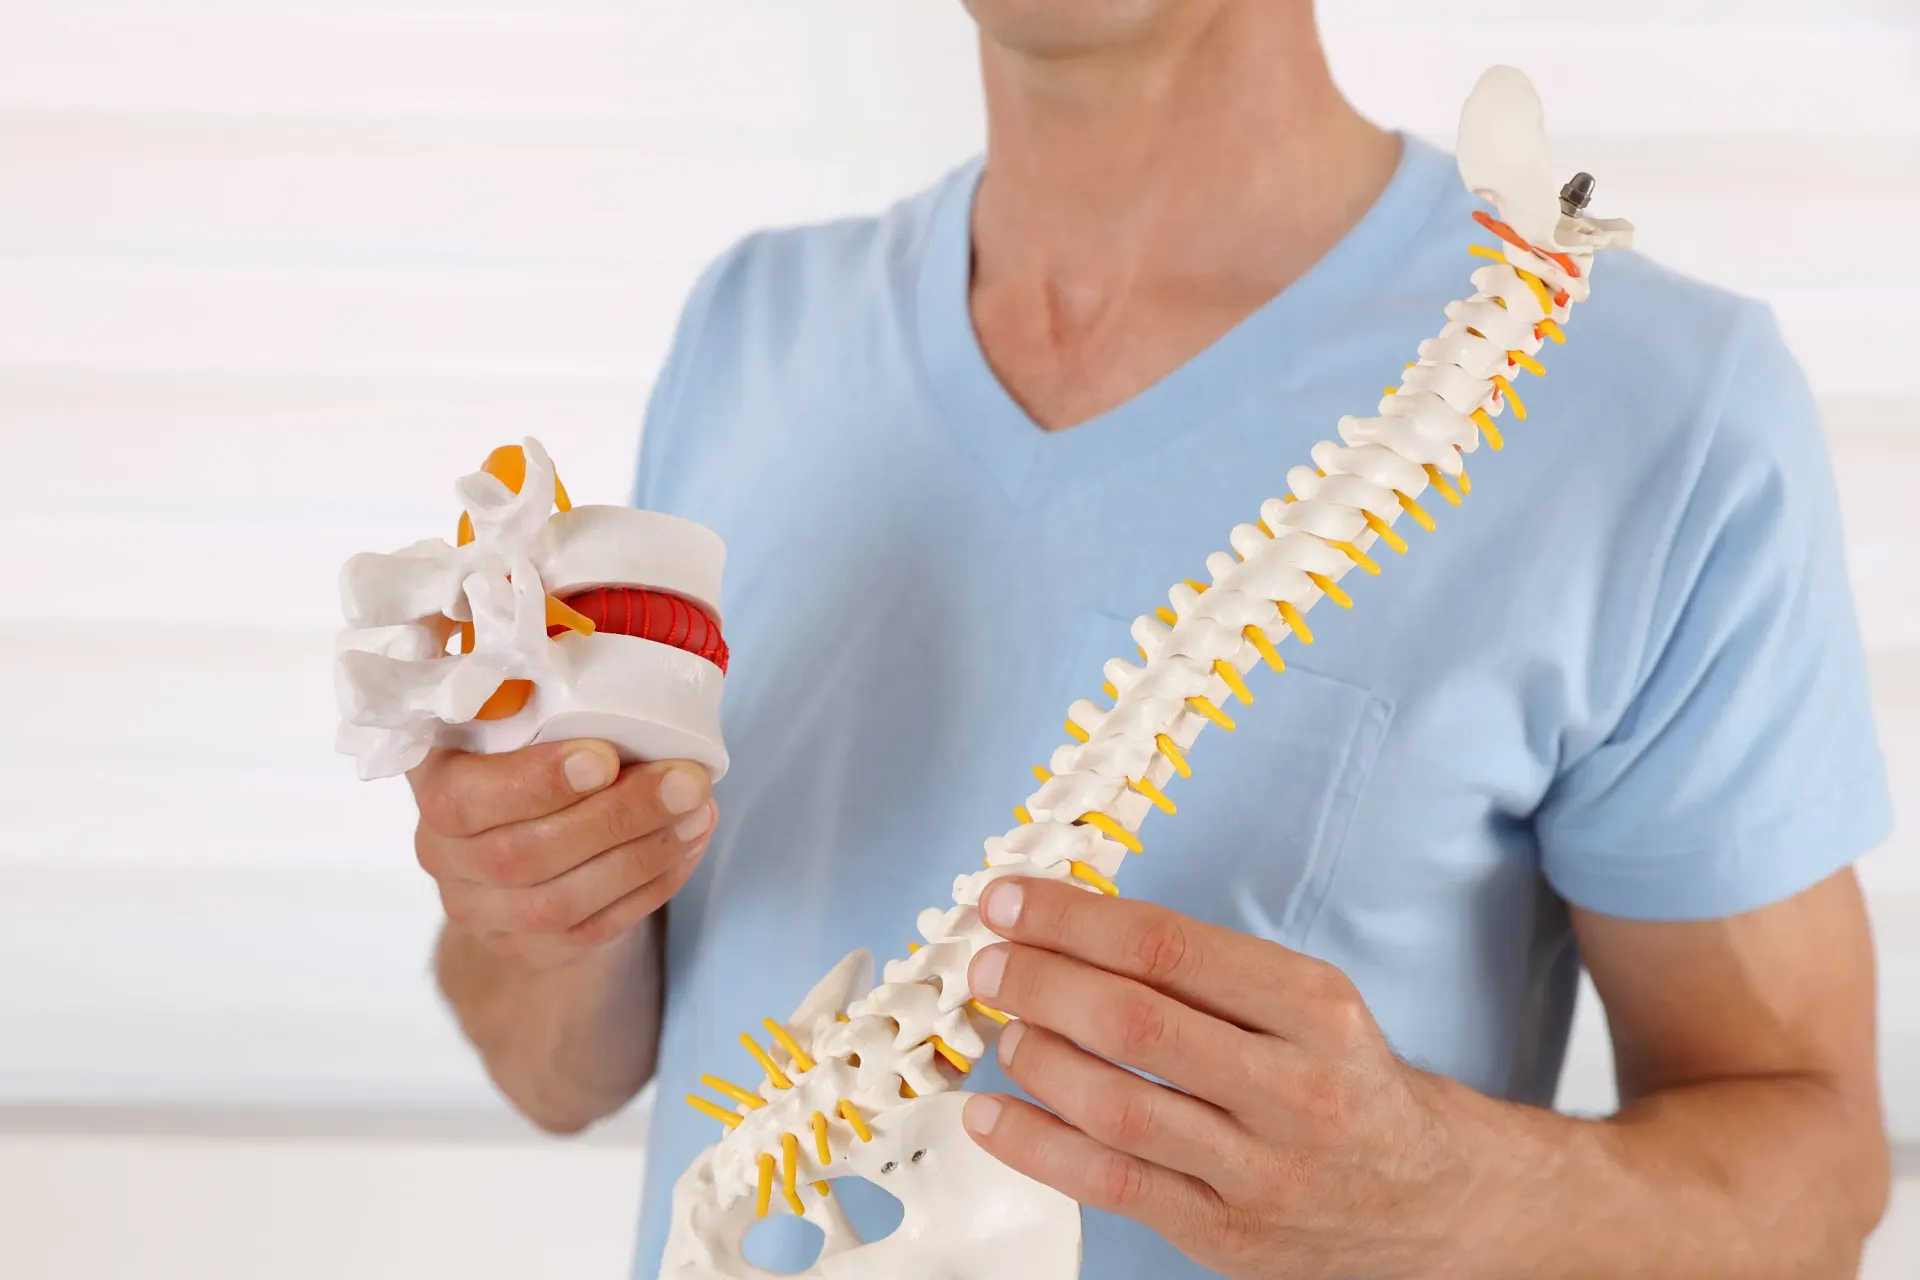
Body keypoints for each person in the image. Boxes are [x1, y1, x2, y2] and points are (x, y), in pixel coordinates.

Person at [407, 2, 1896, 1276]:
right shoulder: (750, 329)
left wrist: (1444, 1197)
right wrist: (528, 901)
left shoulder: (1660, 408)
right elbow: (557, 1067)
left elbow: (1812, 1169)